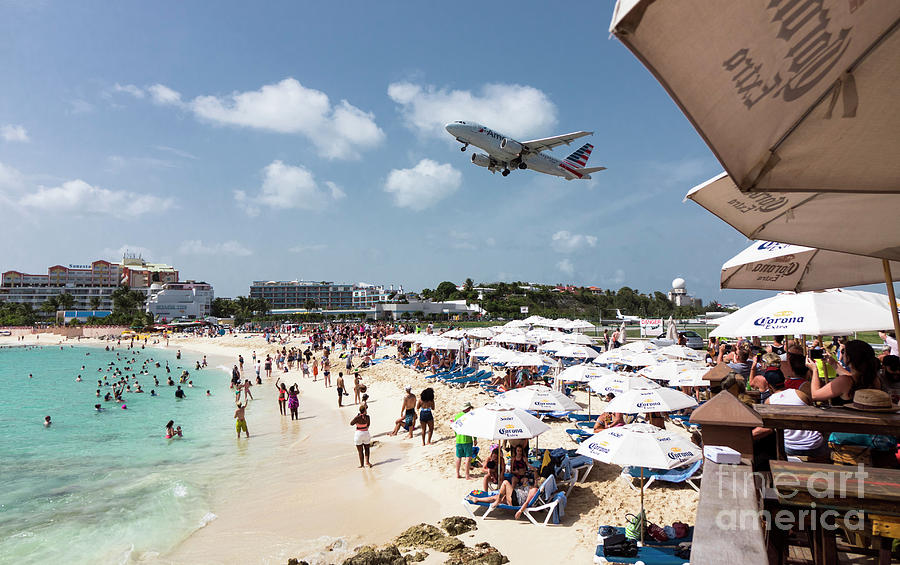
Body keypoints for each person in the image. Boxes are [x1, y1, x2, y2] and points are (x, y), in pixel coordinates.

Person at [752, 368, 829, 460]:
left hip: (791, 447)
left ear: (768, 385)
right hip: (815, 444)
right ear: (784, 380)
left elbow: (768, 428)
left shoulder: (769, 401)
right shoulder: (800, 394)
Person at [812, 340, 884, 405]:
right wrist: (833, 363)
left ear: (848, 358)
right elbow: (850, 377)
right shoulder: (874, 379)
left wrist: (814, 370)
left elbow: (815, 395)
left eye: (843, 351)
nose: (842, 354)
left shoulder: (845, 381)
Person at [453, 402, 476, 479]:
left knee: (458, 457)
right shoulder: (469, 416)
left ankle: (457, 474)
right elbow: (473, 429)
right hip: (467, 439)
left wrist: (456, 436)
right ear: (467, 408)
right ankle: (467, 475)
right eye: (469, 408)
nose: (470, 410)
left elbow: (455, 428)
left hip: (459, 439)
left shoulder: (457, 416)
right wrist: (475, 439)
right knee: (468, 457)